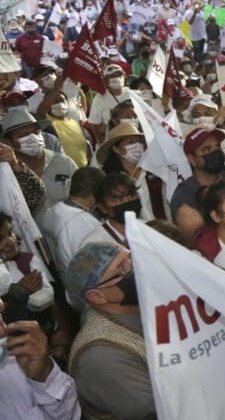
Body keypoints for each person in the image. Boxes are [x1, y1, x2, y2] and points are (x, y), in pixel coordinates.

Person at [65, 242, 155, 419]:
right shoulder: (102, 355)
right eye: (121, 271)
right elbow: (158, 412)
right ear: (97, 296)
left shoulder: (141, 302)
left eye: (131, 259)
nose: (134, 268)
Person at [0, 300, 81, 420]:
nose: (2, 331)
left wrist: (44, 376)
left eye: (0, 315)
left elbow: (69, 416)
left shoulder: (16, 361)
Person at [2, 108, 78, 219]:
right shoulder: (6, 172)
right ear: (9, 142)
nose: (33, 137)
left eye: (36, 132)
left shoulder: (64, 162)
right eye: (24, 134)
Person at [38, 167, 104, 278]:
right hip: (86, 282)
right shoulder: (87, 224)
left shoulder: (51, 211)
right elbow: (95, 268)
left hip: (64, 278)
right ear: (97, 192)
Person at [88, 65, 131, 140]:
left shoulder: (132, 94)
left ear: (124, 77)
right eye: (112, 76)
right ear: (105, 81)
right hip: (112, 139)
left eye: (119, 75)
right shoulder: (99, 98)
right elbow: (95, 125)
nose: (116, 78)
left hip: (132, 135)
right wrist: (101, 143)